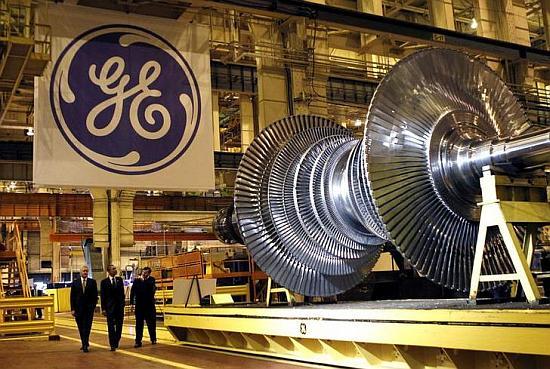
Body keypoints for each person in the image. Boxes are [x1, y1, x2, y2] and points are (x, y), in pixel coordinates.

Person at [70, 265, 98, 353]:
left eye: (86, 271)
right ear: (80, 272)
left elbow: (95, 296)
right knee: (81, 327)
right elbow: (72, 297)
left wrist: (93, 306)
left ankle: (85, 344)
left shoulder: (92, 282)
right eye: (84, 271)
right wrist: (72, 309)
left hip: (89, 310)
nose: (85, 272)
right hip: (78, 310)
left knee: (87, 327)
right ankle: (84, 342)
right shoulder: (75, 283)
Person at [100, 264, 125, 351]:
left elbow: (122, 294)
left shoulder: (119, 280)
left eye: (115, 269)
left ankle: (116, 340)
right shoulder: (104, 282)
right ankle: (112, 345)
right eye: (113, 269)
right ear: (109, 271)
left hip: (119, 308)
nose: (115, 270)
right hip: (109, 308)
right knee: (111, 327)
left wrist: (123, 305)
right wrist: (103, 309)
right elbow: (103, 296)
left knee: (119, 326)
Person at [130, 266, 157, 347]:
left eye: (146, 273)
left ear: (149, 273)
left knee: (151, 323)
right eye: (143, 272)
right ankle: (138, 341)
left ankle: (153, 338)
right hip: (139, 306)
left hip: (149, 305)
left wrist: (143, 281)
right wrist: (132, 303)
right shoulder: (136, 280)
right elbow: (133, 291)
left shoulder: (151, 280)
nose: (144, 274)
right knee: (138, 324)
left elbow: (150, 288)